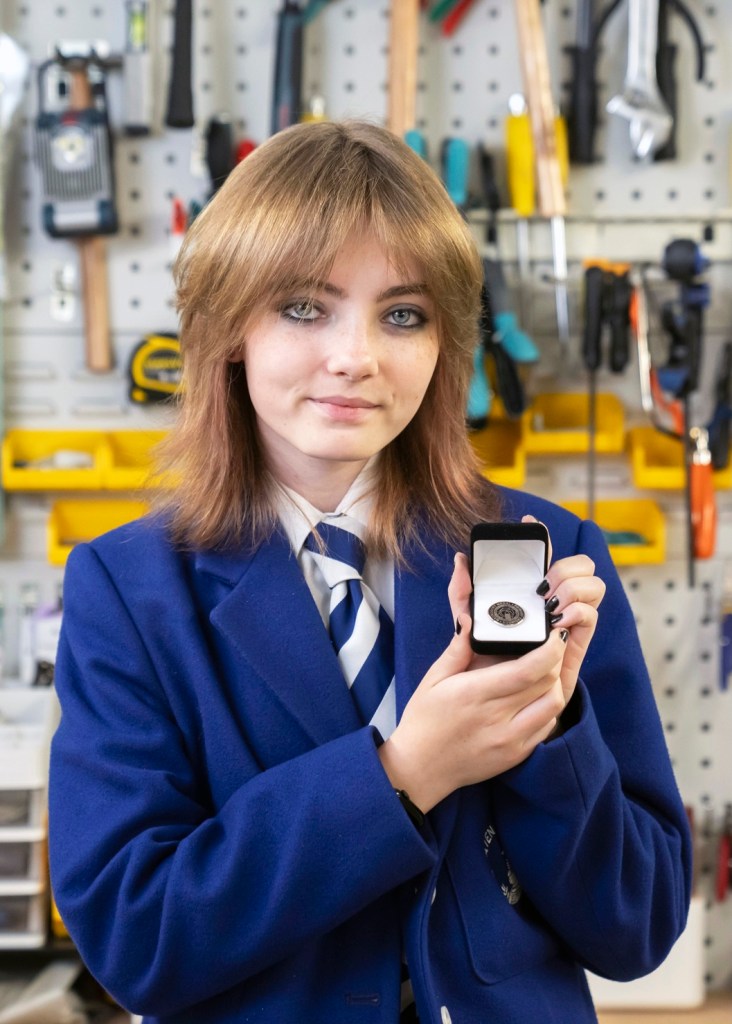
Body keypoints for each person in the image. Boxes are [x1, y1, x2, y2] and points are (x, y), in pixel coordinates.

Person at [49, 120, 691, 1024]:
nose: (357, 356)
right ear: (229, 326)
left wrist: (550, 735)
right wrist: (403, 773)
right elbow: (135, 939)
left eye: (403, 313)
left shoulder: (549, 550)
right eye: (304, 307)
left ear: (444, 345)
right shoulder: (130, 592)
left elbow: (640, 925)